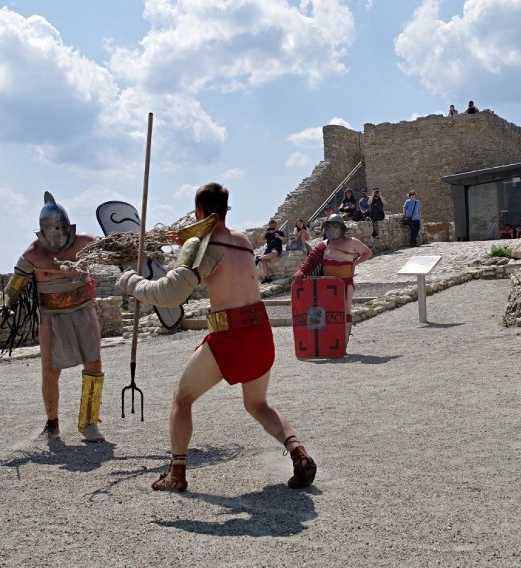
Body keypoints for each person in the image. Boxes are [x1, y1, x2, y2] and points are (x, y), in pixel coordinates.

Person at [116, 182, 317, 492]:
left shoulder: (203, 247)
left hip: (230, 336)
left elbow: (170, 293)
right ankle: (298, 452)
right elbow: (211, 249)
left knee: (182, 399)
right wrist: (185, 237)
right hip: (260, 331)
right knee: (257, 403)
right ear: (225, 210)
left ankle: (177, 474)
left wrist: (131, 281)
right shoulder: (242, 241)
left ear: (198, 211)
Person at [0, 192, 105, 442]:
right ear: (42, 231)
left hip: (84, 309)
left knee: (94, 364)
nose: (58, 231)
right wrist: (6, 305)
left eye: (61, 226)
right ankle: (52, 424)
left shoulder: (85, 242)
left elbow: (112, 250)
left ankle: (89, 423)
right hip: (51, 315)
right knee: (50, 370)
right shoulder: (32, 255)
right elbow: (13, 287)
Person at [294, 214, 373, 345]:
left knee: (346, 309)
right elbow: (311, 260)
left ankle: (343, 342)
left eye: (335, 225)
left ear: (341, 227)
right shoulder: (323, 245)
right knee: (327, 310)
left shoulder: (352, 242)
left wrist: (354, 263)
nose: (333, 228)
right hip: (326, 285)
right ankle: (329, 341)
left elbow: (367, 252)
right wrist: (301, 271)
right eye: (330, 225)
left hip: (345, 284)